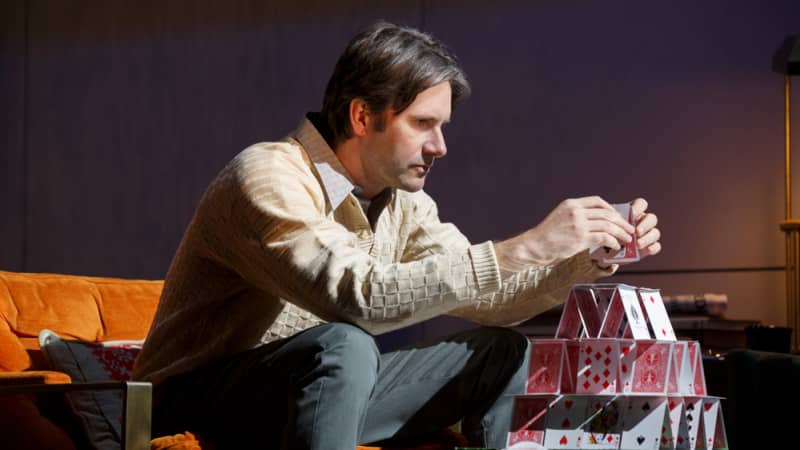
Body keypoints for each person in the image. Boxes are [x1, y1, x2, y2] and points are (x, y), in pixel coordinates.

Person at [133, 21, 661, 450]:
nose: (441, 146)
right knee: (346, 344)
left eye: (444, 126)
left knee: (502, 350)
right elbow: (356, 297)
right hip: (194, 399)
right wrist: (527, 245)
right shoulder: (267, 176)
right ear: (363, 116)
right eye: (424, 124)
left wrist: (582, 257)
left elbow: (490, 295)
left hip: (317, 392)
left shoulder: (403, 202)